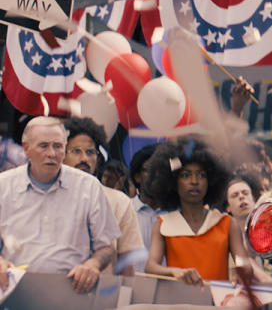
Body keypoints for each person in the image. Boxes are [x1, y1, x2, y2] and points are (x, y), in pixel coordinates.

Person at [0, 116, 120, 293]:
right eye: (43, 146)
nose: (52, 154)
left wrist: (92, 264)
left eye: (58, 146)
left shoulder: (89, 187)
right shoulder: (4, 186)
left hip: (73, 293)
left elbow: (106, 247)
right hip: (14, 293)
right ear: (26, 148)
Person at [143, 137, 269, 284]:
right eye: (186, 175)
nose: (195, 181)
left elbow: (242, 262)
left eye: (201, 175)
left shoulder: (227, 223)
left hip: (217, 303)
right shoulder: (162, 224)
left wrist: (243, 272)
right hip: (178, 303)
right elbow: (150, 267)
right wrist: (175, 272)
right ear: (173, 182)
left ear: (211, 181)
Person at [63, 117, 145, 276]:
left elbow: (127, 265)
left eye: (90, 152)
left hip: (103, 295)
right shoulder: (51, 195)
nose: (84, 159)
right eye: (76, 151)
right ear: (61, 155)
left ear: (98, 158)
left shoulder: (119, 202)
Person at [130, 143, 161, 265]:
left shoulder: (178, 213)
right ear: (137, 177)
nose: (157, 176)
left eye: (161, 170)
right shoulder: (125, 210)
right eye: (151, 170)